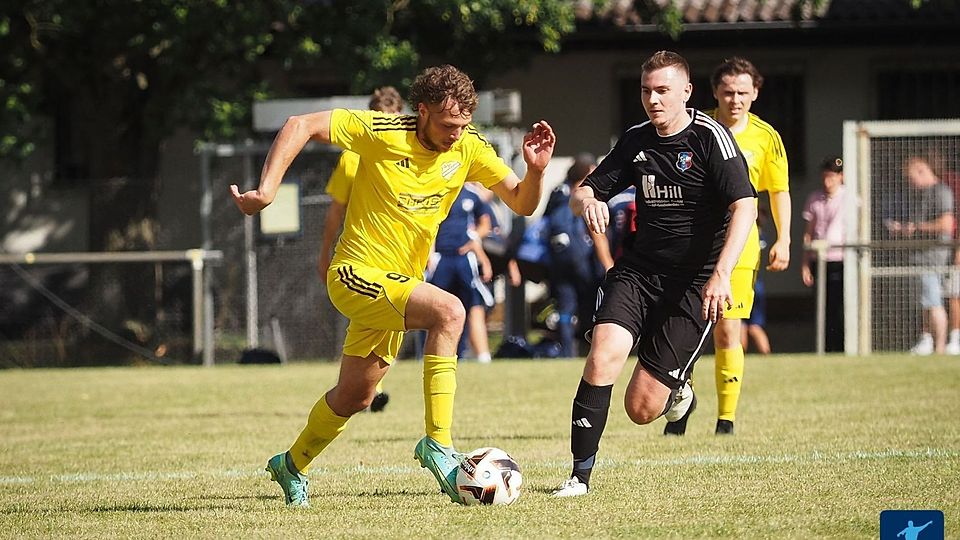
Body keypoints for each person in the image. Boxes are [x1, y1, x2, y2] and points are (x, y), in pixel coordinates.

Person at [231, 64, 556, 507]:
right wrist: (267, 191)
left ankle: (291, 466)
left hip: (400, 284)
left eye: (462, 126)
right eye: (446, 125)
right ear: (421, 111)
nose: (455, 135)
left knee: (355, 396)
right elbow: (299, 124)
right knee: (451, 311)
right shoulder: (382, 131)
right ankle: (438, 445)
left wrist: (535, 171)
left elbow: (521, 201)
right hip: (355, 273)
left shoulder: (469, 149)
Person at [551, 50, 757, 497]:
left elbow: (745, 204)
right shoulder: (636, 140)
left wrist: (722, 273)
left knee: (641, 409)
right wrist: (590, 203)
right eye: (646, 91)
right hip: (639, 273)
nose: (653, 100)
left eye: (663, 91)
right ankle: (578, 477)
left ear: (686, 92)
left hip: (696, 284)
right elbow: (582, 190)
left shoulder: (711, 138)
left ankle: (678, 388)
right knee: (602, 354)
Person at [664, 56, 791, 436]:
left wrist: (783, 239)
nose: (734, 99)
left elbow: (778, 191)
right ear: (715, 92)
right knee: (682, 329)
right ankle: (680, 404)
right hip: (691, 246)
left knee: (726, 332)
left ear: (755, 94)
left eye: (742, 93)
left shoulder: (766, 137)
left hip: (739, 249)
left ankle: (726, 420)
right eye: (727, 92)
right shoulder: (694, 125)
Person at [318, 86, 404, 411]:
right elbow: (335, 210)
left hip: (401, 252)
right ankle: (366, 387)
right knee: (367, 321)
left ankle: (367, 387)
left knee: (393, 323)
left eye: (392, 120)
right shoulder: (352, 156)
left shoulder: (409, 154)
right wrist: (324, 253)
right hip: (362, 254)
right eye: (379, 120)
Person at [887, 155, 954, 355]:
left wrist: (916, 228)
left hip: (933, 258)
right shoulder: (919, 195)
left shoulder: (941, 191)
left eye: (911, 177)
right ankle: (927, 342)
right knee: (925, 302)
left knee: (934, 302)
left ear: (922, 170)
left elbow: (946, 225)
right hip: (920, 258)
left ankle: (940, 347)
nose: (911, 182)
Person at [544, 153, 606, 357]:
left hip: (558, 255)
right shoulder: (585, 195)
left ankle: (567, 350)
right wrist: (607, 262)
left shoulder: (557, 191)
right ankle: (585, 348)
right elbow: (595, 230)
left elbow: (545, 222)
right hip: (582, 256)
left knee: (564, 306)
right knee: (588, 304)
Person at [427, 182, 496, 363]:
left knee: (474, 305)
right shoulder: (435, 191)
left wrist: (474, 239)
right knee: (433, 306)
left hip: (464, 258)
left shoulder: (472, 194)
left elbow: (485, 222)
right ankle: (429, 354)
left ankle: (483, 356)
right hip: (440, 257)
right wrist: (429, 253)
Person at [801, 155, 847, 352]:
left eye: (832, 177)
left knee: (840, 305)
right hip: (820, 260)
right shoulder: (815, 199)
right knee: (823, 307)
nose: (828, 181)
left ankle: (842, 345)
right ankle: (826, 346)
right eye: (825, 176)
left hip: (842, 260)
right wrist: (804, 265)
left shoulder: (850, 197)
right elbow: (809, 233)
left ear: (841, 177)